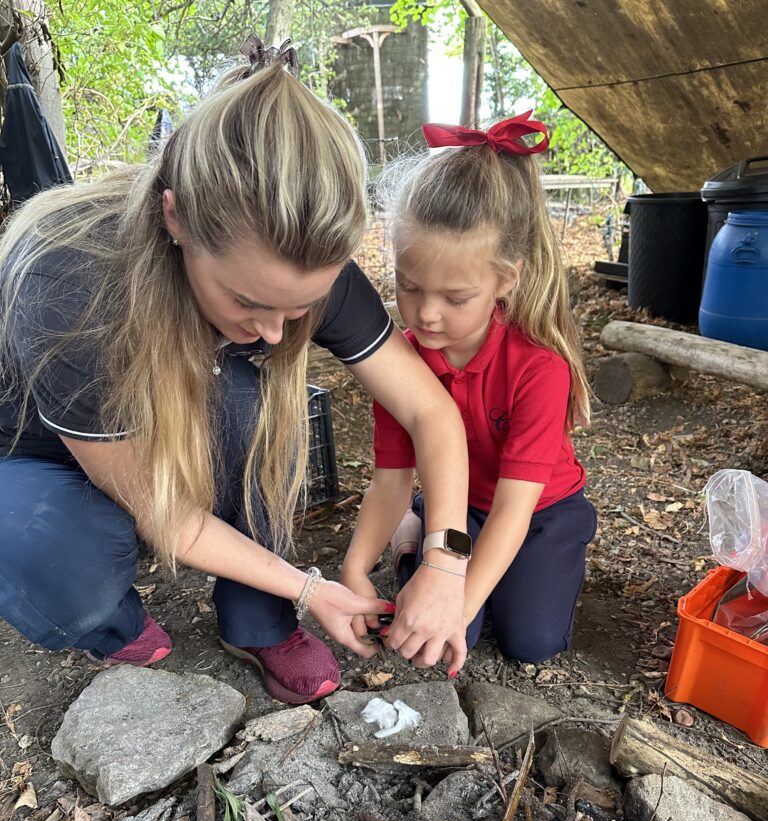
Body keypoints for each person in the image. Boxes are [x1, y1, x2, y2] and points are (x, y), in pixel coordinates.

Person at [0, 51, 472, 706]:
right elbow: (167, 513)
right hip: (36, 452)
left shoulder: (309, 265)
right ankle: (109, 622)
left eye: (300, 306)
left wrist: (449, 561)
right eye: (248, 301)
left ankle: (256, 622)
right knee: (49, 550)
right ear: (176, 219)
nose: (278, 332)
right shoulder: (71, 280)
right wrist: (312, 588)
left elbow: (431, 414)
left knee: (247, 396)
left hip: (155, 424)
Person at [341, 113, 597, 665]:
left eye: (455, 298)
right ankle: (416, 535)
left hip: (538, 510)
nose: (427, 315)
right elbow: (390, 479)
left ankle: (540, 566)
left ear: (505, 279)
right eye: (408, 287)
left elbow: (513, 508)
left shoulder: (539, 367)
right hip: (458, 507)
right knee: (445, 637)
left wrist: (455, 607)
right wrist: (355, 568)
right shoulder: (402, 360)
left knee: (530, 642)